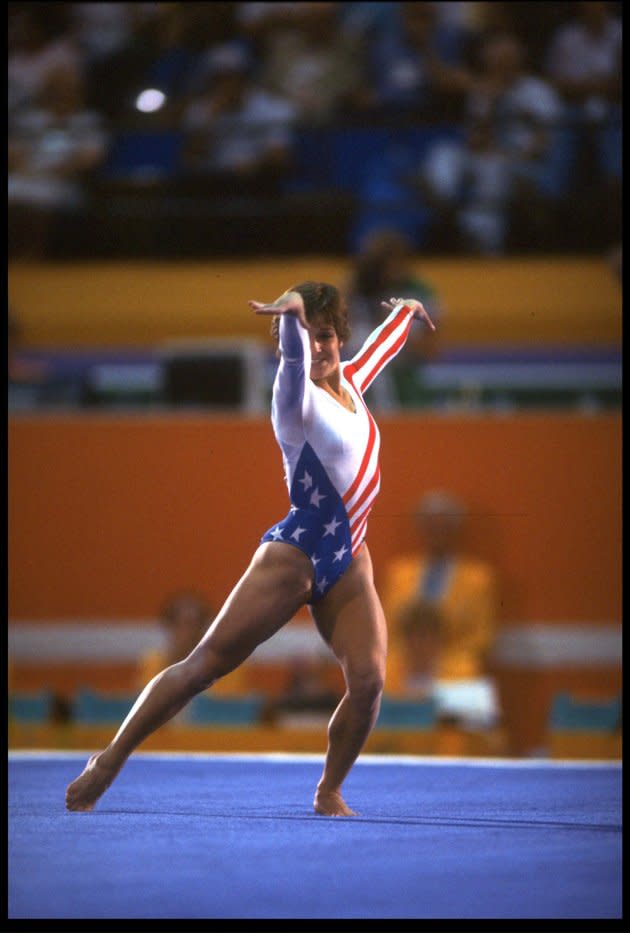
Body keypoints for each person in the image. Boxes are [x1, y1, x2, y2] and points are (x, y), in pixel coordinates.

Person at [65, 281, 436, 817]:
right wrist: (290, 317)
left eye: (326, 337)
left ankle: (328, 790)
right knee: (204, 666)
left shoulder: (351, 381)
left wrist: (405, 312)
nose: (318, 349)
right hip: (295, 556)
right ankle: (108, 760)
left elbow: (377, 348)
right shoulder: (295, 400)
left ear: (338, 336)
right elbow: (291, 357)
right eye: (308, 338)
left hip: (350, 557)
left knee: (371, 681)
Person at [383, 490, 498, 724]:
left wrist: (436, 660)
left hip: (455, 666)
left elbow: (482, 637)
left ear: (456, 529)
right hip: (403, 665)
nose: (435, 532)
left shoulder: (478, 578)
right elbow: (387, 627)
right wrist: (413, 660)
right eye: (429, 526)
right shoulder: (398, 574)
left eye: (443, 526)